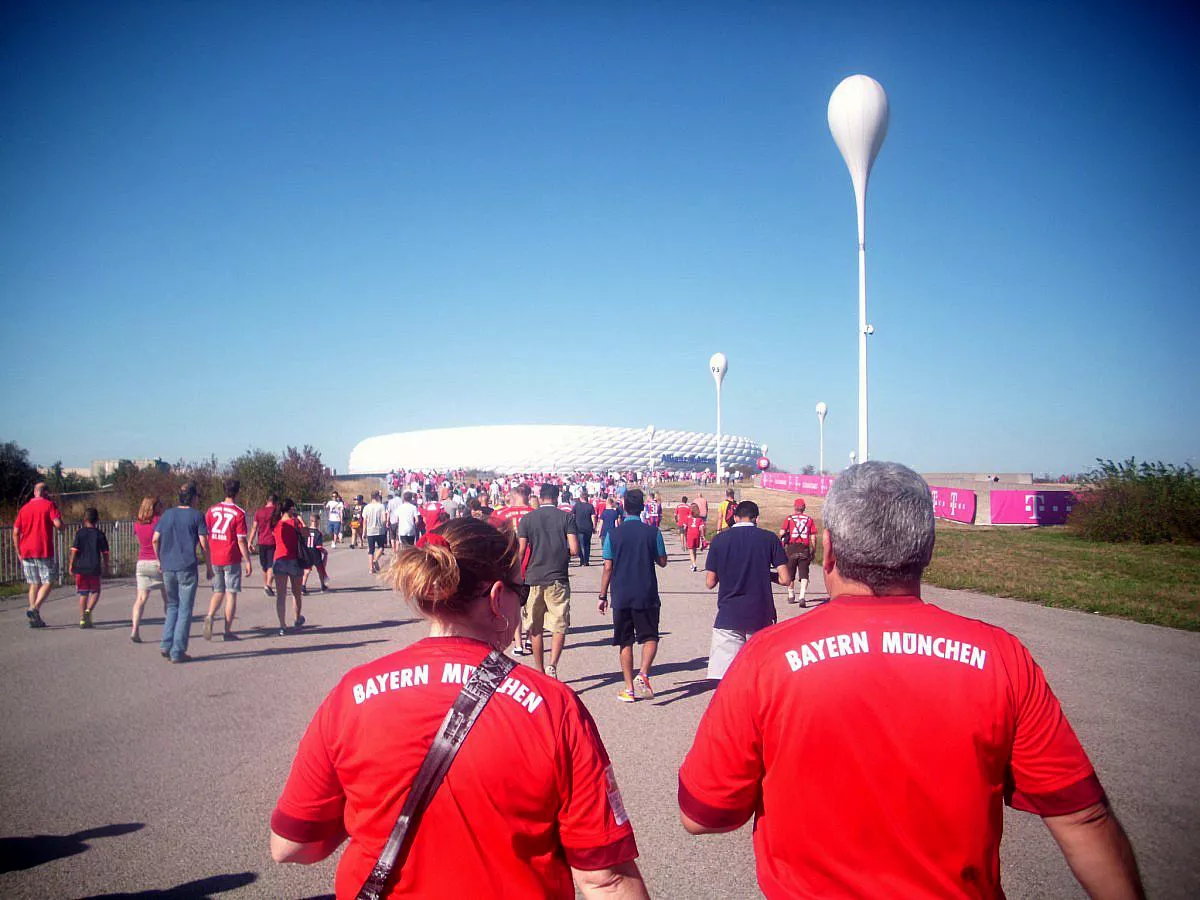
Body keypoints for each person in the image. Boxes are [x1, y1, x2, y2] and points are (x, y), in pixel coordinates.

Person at [678, 462, 1145, 899]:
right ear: (926, 549)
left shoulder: (766, 658)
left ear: (832, 550)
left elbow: (703, 813)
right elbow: (1083, 816)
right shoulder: (1001, 658)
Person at [269, 517, 648, 900]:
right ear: (499, 597)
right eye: (522, 589)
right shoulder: (553, 706)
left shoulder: (353, 693)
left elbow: (291, 844)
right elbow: (606, 879)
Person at [702, 500, 791, 679]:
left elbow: (710, 582)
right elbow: (785, 579)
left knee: (728, 676)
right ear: (756, 518)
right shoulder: (769, 538)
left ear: (735, 517)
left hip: (729, 614)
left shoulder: (720, 540)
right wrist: (765, 574)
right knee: (758, 673)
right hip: (760, 613)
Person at [598, 490, 667, 703]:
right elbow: (662, 561)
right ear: (643, 508)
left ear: (624, 507)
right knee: (650, 636)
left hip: (621, 593)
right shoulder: (652, 532)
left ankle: (629, 689)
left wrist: (602, 595)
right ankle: (643, 674)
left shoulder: (613, 535)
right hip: (646, 591)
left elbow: (608, 567)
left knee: (625, 641)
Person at [517, 484, 579, 678]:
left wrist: (516, 575)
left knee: (536, 627)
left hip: (534, 576)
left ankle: (540, 669)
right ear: (557, 497)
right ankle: (553, 665)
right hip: (558, 577)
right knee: (558, 624)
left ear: (540, 497)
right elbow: (575, 549)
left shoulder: (527, 519)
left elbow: (520, 551)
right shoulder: (567, 518)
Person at [153, 482, 210, 664]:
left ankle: (166, 643)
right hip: (187, 566)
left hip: (168, 566)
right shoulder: (196, 516)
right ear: (193, 498)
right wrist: (208, 566)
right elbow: (204, 543)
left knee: (172, 606)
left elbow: (155, 539)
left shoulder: (167, 514)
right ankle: (177, 650)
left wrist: (159, 560)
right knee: (185, 609)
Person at [203, 479, 252, 642]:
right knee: (231, 594)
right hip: (230, 557)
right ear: (237, 492)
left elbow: (207, 533)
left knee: (218, 591)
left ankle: (210, 615)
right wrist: (247, 560)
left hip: (215, 556)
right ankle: (227, 631)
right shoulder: (239, 513)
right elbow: (240, 540)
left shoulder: (211, 510)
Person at [12, 482, 64, 628]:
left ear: (35, 492)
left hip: (26, 550)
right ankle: (34, 608)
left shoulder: (24, 509)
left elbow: (16, 532)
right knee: (49, 580)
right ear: (46, 493)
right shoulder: (49, 505)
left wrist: (18, 552)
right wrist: (62, 526)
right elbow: (58, 524)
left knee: (34, 583)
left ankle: (34, 618)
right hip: (43, 549)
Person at [131, 497, 166, 643]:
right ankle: (170, 628)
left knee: (141, 599)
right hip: (157, 562)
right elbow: (160, 539)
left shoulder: (138, 523)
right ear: (154, 507)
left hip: (142, 562)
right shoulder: (158, 521)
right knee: (168, 598)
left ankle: (135, 629)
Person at [271, 498, 307, 634]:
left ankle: (282, 625)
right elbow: (306, 534)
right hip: (294, 559)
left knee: (281, 595)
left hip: (279, 559)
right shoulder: (295, 522)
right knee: (296, 593)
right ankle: (297, 619)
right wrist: (301, 521)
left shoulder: (276, 523)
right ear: (291, 509)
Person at [69, 507, 109, 629]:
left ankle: (82, 619)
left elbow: (74, 551)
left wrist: (71, 564)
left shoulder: (79, 533)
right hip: (94, 566)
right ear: (97, 520)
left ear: (84, 519)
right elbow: (105, 552)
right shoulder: (99, 534)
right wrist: (106, 565)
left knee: (83, 593)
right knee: (96, 591)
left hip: (81, 567)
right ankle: (88, 610)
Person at [778, 497, 820, 606]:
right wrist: (814, 549)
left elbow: (781, 532)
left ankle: (791, 595)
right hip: (804, 548)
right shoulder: (809, 519)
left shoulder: (789, 519)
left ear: (794, 507)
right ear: (804, 508)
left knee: (790, 573)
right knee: (804, 573)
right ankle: (802, 596)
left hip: (792, 548)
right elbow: (813, 537)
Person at [249, 494, 278, 597]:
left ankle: (266, 585)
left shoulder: (259, 511)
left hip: (261, 541)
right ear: (275, 502)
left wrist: (250, 541)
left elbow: (254, 527)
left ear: (267, 500)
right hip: (272, 541)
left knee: (264, 566)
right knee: (272, 565)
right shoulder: (276, 511)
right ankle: (268, 585)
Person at [302, 512, 331, 593]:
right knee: (320, 570)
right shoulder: (318, 533)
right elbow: (318, 546)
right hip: (315, 554)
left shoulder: (305, 531)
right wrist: (324, 551)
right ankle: (322, 586)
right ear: (317, 522)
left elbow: (303, 542)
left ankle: (303, 586)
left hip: (307, 552)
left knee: (307, 570)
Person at [363, 490, 388, 574]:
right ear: (378, 497)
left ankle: (371, 568)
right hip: (379, 530)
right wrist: (384, 525)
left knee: (371, 550)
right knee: (381, 547)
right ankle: (375, 560)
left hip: (370, 530)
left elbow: (365, 520)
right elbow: (384, 519)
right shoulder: (381, 506)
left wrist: (364, 531)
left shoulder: (367, 507)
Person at [572, 492, 597, 566]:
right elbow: (593, 517)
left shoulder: (576, 506)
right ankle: (586, 560)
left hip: (578, 527)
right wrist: (594, 526)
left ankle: (582, 560)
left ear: (580, 498)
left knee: (580, 544)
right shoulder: (590, 506)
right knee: (587, 544)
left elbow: (573, 516)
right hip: (588, 527)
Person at [683, 503, 704, 572]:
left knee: (691, 550)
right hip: (697, 534)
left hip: (690, 534)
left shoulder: (688, 518)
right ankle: (693, 563)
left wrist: (684, 534)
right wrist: (702, 536)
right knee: (695, 550)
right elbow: (701, 528)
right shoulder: (700, 519)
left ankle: (694, 564)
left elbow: (685, 527)